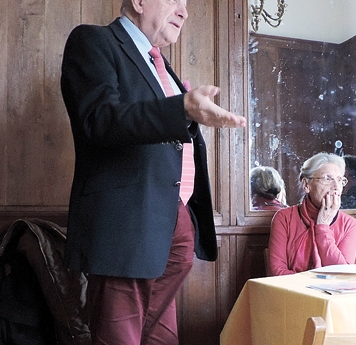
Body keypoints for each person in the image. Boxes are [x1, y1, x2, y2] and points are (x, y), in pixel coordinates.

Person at [60, 0, 246, 344]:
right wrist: (183, 107)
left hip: (172, 225)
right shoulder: (93, 41)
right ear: (140, 1)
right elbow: (99, 120)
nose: (184, 12)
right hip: (125, 229)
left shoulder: (160, 64)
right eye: (175, 0)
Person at [267, 152, 356, 276]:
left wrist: (322, 227)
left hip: (333, 294)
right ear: (306, 185)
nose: (336, 186)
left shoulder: (349, 224)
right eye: (328, 178)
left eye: (340, 180)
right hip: (292, 292)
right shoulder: (284, 218)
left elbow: (343, 274)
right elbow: (277, 272)